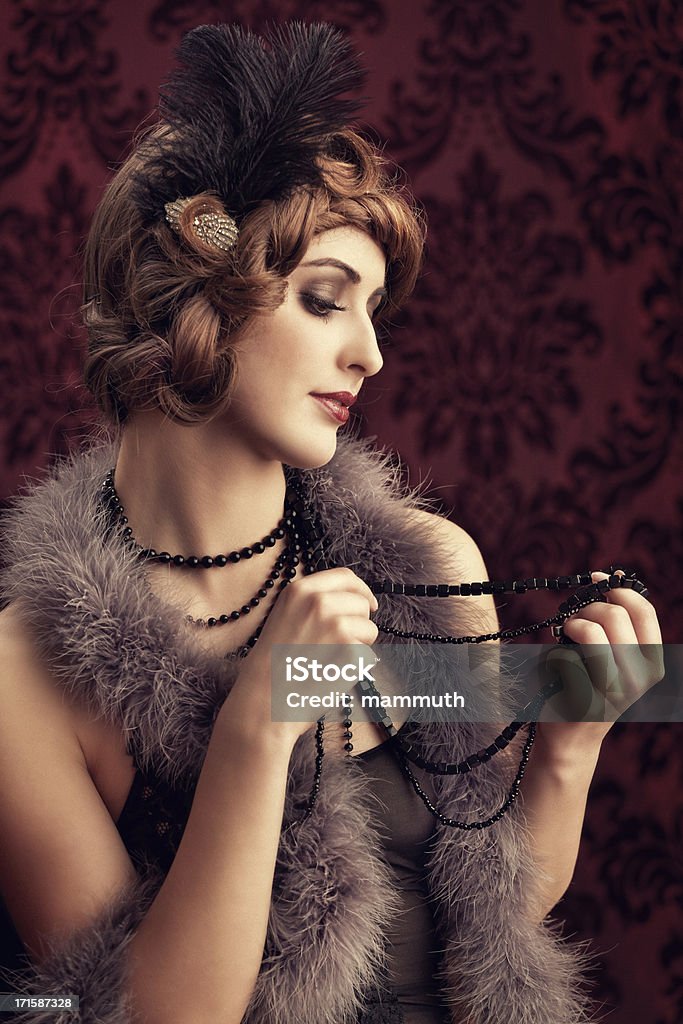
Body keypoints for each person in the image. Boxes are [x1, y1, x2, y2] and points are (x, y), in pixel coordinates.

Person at [0, 21, 663, 1024]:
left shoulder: (431, 571)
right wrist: (258, 722)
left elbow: (478, 924)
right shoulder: (21, 674)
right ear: (199, 300)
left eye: (375, 311)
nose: (370, 354)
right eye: (324, 300)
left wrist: (567, 750)